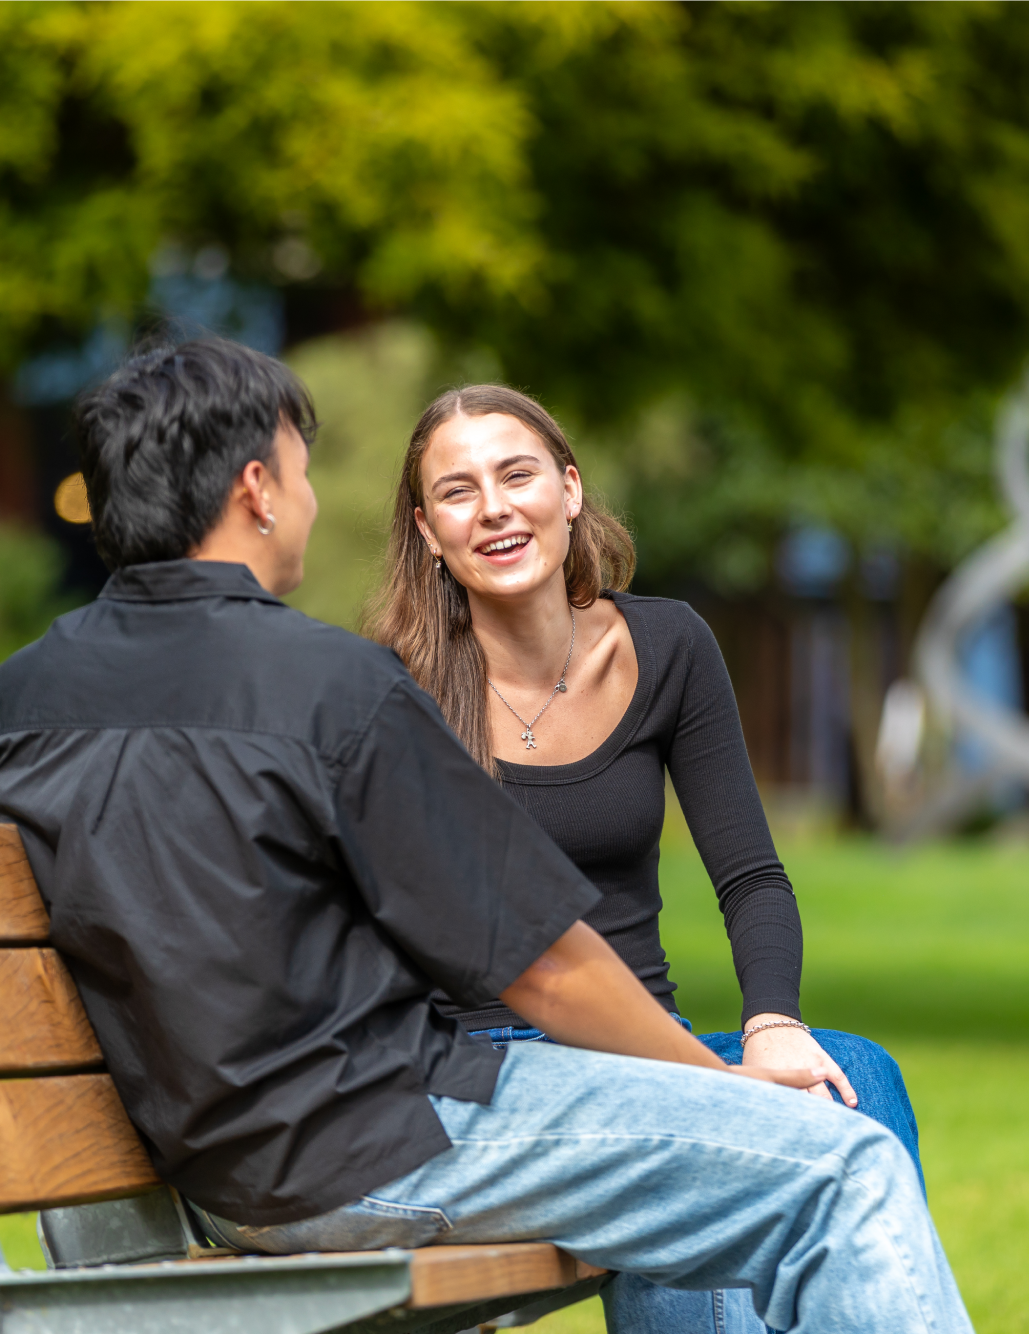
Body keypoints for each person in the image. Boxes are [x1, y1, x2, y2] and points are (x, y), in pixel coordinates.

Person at [0, 338, 971, 1334]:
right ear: (256, 489)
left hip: (220, 1169)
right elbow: (548, 971)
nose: (309, 497)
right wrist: (723, 1081)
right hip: (384, 1137)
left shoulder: (6, 703)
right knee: (840, 1159)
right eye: (300, 468)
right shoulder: (329, 685)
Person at [363, 384, 925, 1334]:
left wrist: (773, 1023)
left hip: (643, 1044)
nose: (494, 507)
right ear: (428, 531)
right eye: (458, 492)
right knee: (705, 1152)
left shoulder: (668, 645)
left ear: (571, 490)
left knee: (855, 1077)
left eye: (517, 474)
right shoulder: (391, 689)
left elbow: (749, 876)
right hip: (492, 1079)